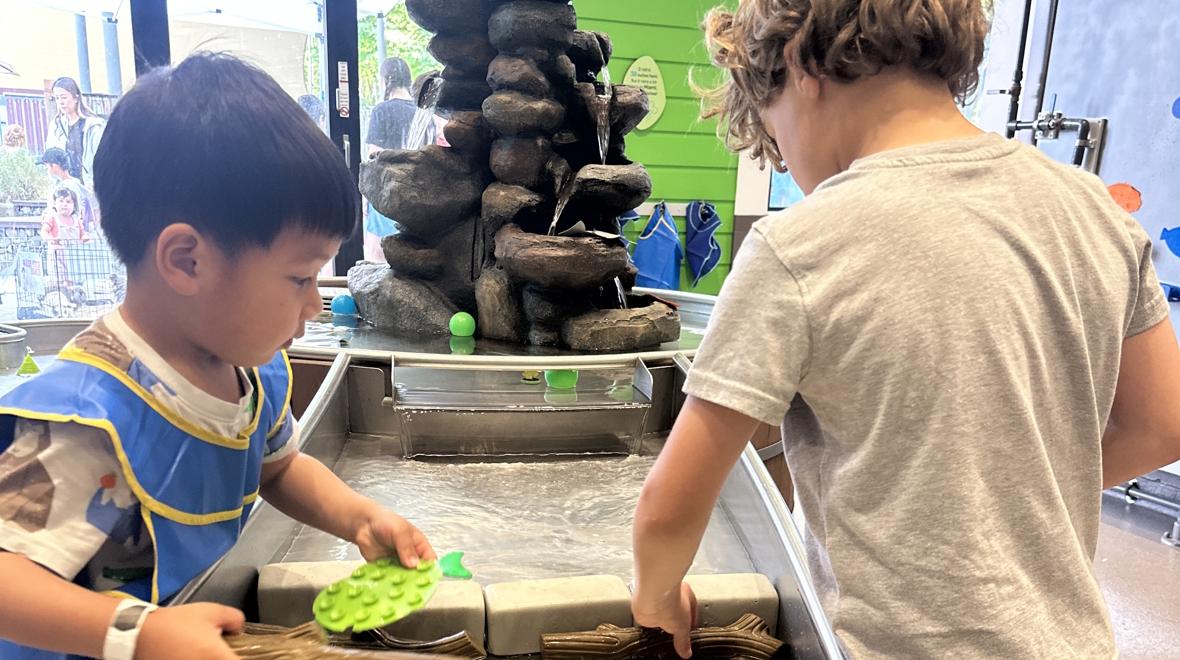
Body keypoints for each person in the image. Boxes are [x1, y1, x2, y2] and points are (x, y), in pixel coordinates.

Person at [630, 2, 1179, 659]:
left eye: (775, 138)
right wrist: (1009, 502)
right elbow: (1162, 425)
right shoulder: (1095, 211)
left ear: (800, 64)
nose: (787, 167)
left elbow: (671, 504)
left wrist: (657, 596)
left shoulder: (800, 244)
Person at [0, 53, 434, 660]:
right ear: (186, 261)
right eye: (299, 278)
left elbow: (276, 467)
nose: (314, 305)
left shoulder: (248, 370)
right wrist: (139, 634)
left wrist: (359, 518)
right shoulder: (89, 424)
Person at [44, 76, 107, 188]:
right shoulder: (56, 125)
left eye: (64, 97)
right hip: (66, 188)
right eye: (57, 98)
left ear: (76, 98)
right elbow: (50, 157)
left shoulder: (94, 126)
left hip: (90, 186)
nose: (61, 102)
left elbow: (103, 158)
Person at [38, 147, 100, 235]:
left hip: (66, 236)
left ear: (55, 166)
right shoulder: (71, 183)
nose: (46, 170)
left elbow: (72, 212)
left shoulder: (68, 186)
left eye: (47, 166)